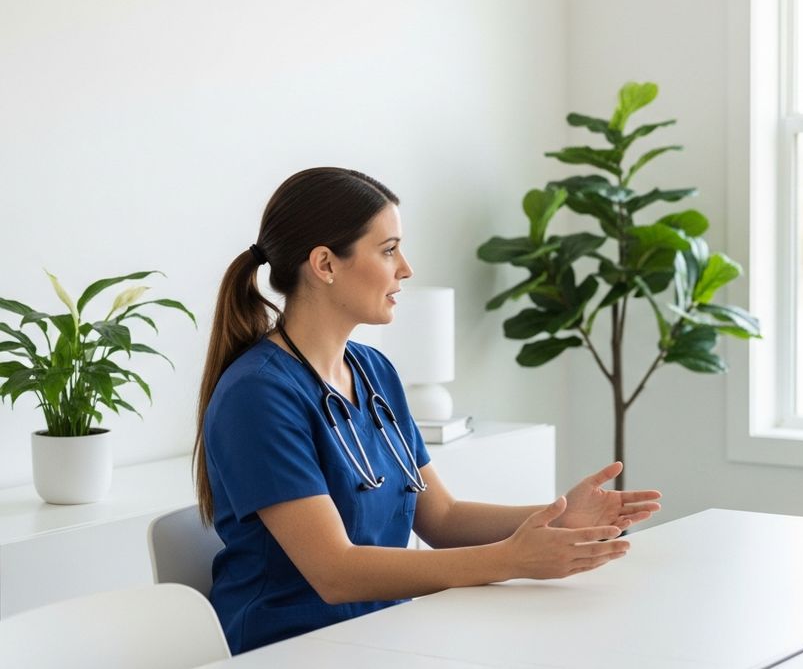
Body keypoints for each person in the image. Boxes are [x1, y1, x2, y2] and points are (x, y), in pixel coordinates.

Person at [193, 167, 662, 654]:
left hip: (384, 634)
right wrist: (511, 560)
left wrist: (559, 517)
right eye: (388, 249)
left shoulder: (373, 371)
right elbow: (334, 572)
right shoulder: (259, 395)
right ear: (325, 264)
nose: (406, 269)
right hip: (289, 648)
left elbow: (441, 518)